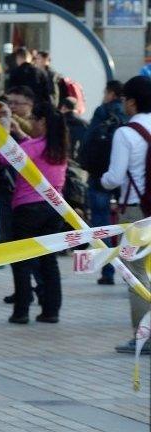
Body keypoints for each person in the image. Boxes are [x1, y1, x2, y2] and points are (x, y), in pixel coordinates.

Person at [0, 102, 68, 324]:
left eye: (33, 120)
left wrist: (2, 127)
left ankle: (21, 311)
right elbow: (33, 149)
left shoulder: (33, 148)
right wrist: (19, 134)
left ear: (43, 122)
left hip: (28, 209)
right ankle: (51, 310)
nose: (30, 124)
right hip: (55, 209)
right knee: (49, 260)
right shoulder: (59, 149)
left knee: (21, 260)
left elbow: (2, 157)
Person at [100, 76, 151, 355]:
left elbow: (114, 177)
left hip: (134, 212)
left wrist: (104, 180)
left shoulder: (126, 133)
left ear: (131, 101)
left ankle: (144, 336)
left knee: (136, 274)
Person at [81, 80, 126, 286]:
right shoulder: (128, 115)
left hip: (99, 176)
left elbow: (88, 139)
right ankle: (131, 271)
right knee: (129, 225)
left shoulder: (101, 112)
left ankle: (108, 272)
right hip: (124, 178)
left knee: (101, 224)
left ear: (111, 93)